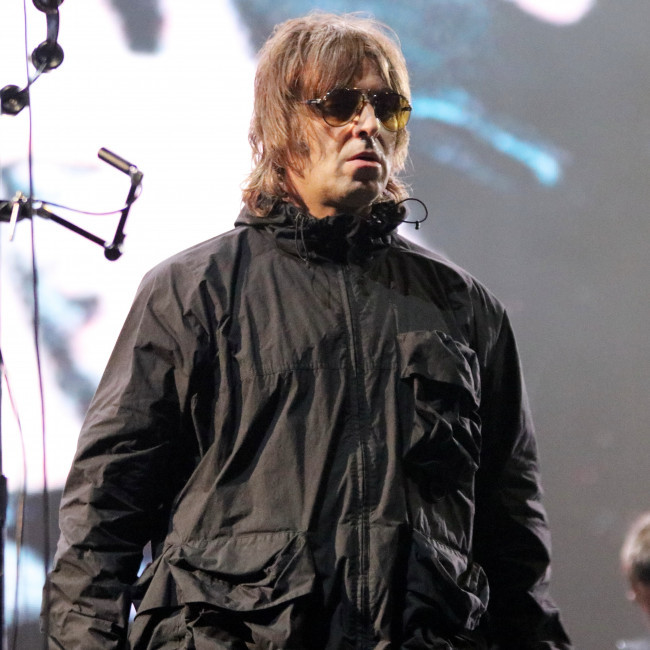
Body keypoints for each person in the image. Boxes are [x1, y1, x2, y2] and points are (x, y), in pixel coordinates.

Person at [42, 11, 572, 649]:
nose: (368, 124)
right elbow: (102, 520)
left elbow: (514, 546)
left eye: (387, 107)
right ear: (281, 126)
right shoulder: (190, 294)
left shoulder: (465, 309)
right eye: (340, 104)